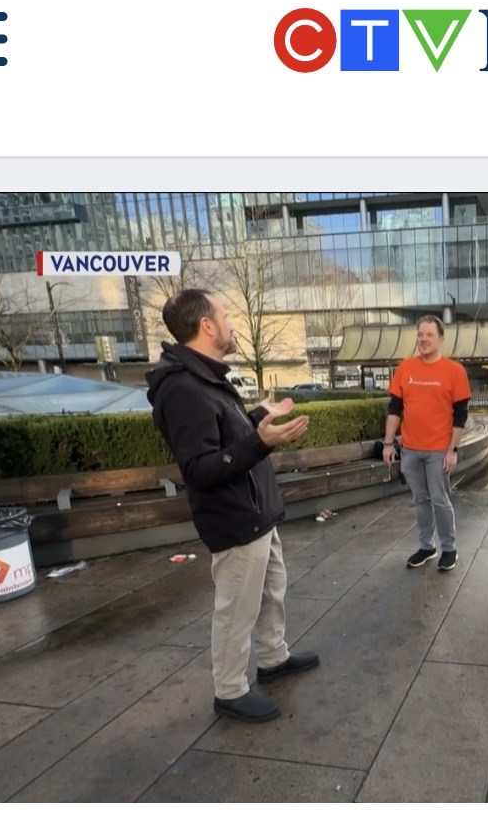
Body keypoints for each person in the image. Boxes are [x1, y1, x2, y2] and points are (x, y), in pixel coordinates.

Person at [146, 289, 320, 725]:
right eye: (225, 315)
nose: (231, 323)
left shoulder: (204, 376)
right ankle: (229, 689)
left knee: (270, 592)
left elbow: (228, 434)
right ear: (206, 325)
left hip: (257, 513)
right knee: (236, 608)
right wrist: (261, 441)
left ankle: (272, 658)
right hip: (234, 518)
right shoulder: (182, 388)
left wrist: (259, 417)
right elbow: (201, 467)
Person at [383, 315, 472, 572]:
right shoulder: (406, 368)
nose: (423, 339)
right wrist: (389, 443)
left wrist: (452, 450)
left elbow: (461, 415)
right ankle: (426, 546)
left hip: (438, 450)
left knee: (440, 499)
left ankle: (449, 549)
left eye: (429, 335)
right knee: (420, 500)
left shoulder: (454, 371)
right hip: (410, 449)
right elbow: (394, 408)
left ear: (441, 338)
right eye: (420, 334)